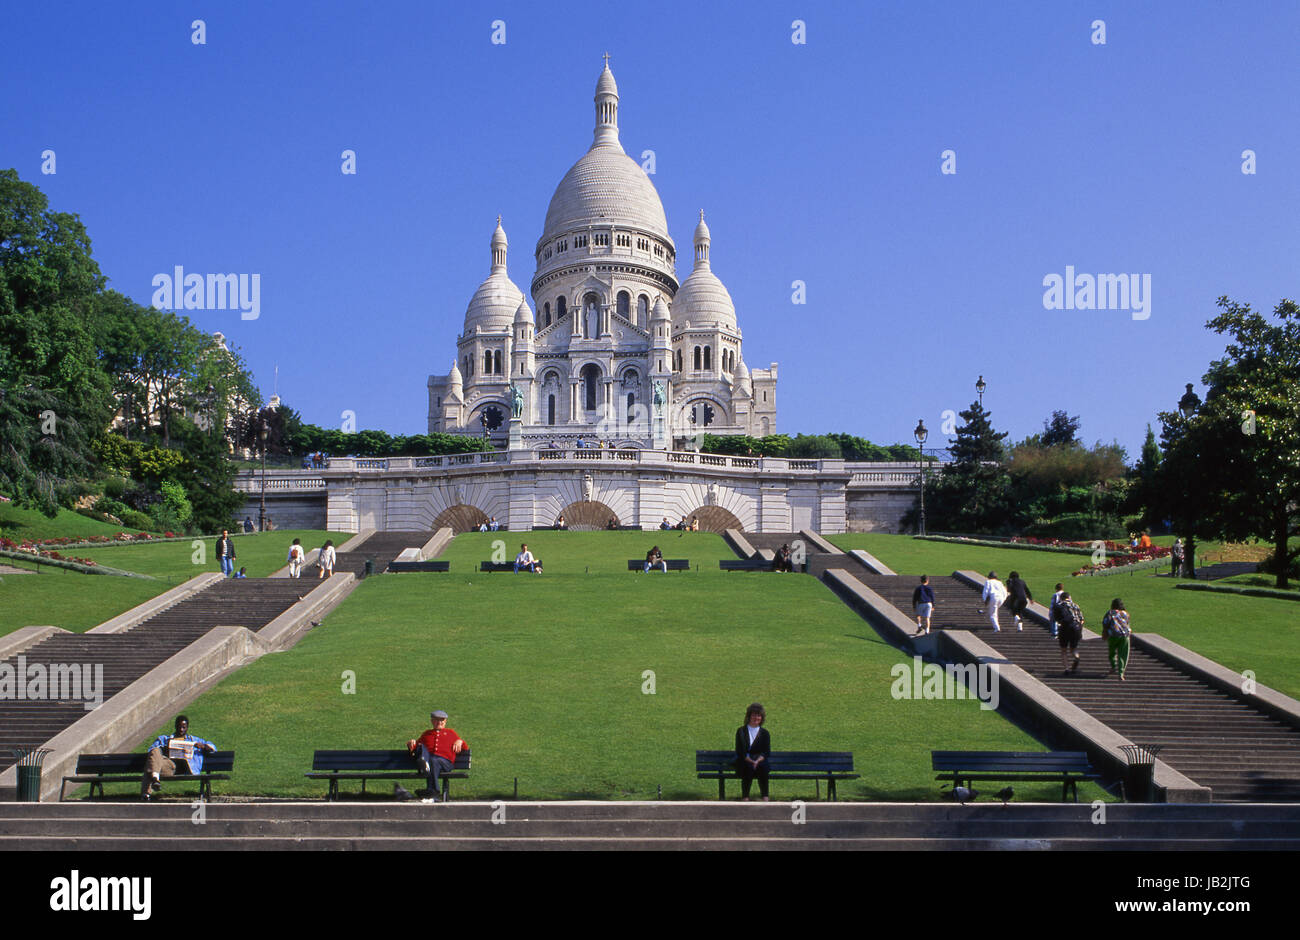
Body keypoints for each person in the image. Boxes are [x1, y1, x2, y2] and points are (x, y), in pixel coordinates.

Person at [140, 715, 215, 800]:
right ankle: (155, 779)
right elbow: (151, 750)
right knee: (155, 751)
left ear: (187, 727)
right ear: (175, 726)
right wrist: (164, 748)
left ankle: (148, 790)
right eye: (179, 727)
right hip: (168, 766)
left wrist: (203, 746)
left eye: (184, 727)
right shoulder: (164, 739)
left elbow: (212, 747)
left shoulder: (193, 740)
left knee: (150, 768)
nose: (181, 730)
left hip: (186, 768)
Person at [406, 710, 468, 803]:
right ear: (432, 721)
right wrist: (411, 743)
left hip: (445, 763)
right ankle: (431, 792)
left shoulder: (450, 733)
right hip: (431, 761)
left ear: (445, 721)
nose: (439, 722)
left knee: (433, 761)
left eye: (442, 720)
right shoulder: (427, 734)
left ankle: (433, 787)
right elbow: (415, 748)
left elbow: (465, 747)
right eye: (437, 720)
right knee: (422, 748)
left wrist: (460, 741)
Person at [734, 703, 771, 801]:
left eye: (759, 715)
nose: (756, 717)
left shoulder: (765, 733)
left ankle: (765, 796)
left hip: (759, 760)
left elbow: (766, 752)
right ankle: (745, 797)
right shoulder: (741, 731)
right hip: (745, 759)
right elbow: (740, 751)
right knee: (747, 767)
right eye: (754, 715)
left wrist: (757, 761)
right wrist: (751, 761)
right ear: (749, 716)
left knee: (763, 767)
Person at [1055, 591, 1085, 675]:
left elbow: (1056, 619)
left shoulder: (1059, 606)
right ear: (1069, 597)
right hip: (1076, 628)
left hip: (1065, 628)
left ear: (1061, 598)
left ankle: (1067, 669)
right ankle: (1076, 657)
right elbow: (1082, 620)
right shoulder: (1075, 605)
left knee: (1063, 650)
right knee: (1073, 648)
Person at [1102, 598, 1132, 681]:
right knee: (1123, 655)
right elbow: (1127, 624)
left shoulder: (1110, 613)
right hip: (1125, 636)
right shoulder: (1126, 614)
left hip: (1113, 635)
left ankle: (1113, 666)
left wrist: (1104, 635)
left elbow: (1105, 623)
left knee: (1112, 652)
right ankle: (1121, 673)